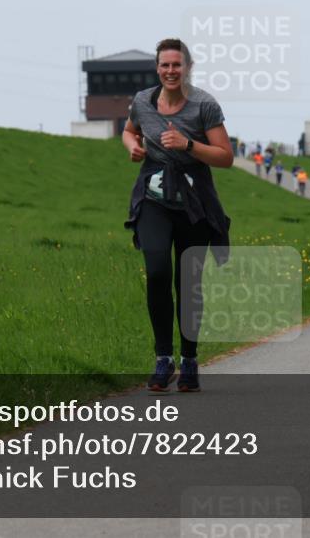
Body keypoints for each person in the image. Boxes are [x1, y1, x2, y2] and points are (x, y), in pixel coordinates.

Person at [122, 38, 233, 393]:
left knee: (188, 282)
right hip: (154, 196)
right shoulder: (143, 101)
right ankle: (162, 358)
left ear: (187, 68)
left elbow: (225, 156)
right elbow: (128, 129)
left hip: (194, 200)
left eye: (177, 65)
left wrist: (188, 145)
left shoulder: (204, 105)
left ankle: (188, 360)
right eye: (165, 65)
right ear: (157, 68)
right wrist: (133, 147)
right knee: (157, 270)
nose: (171, 71)